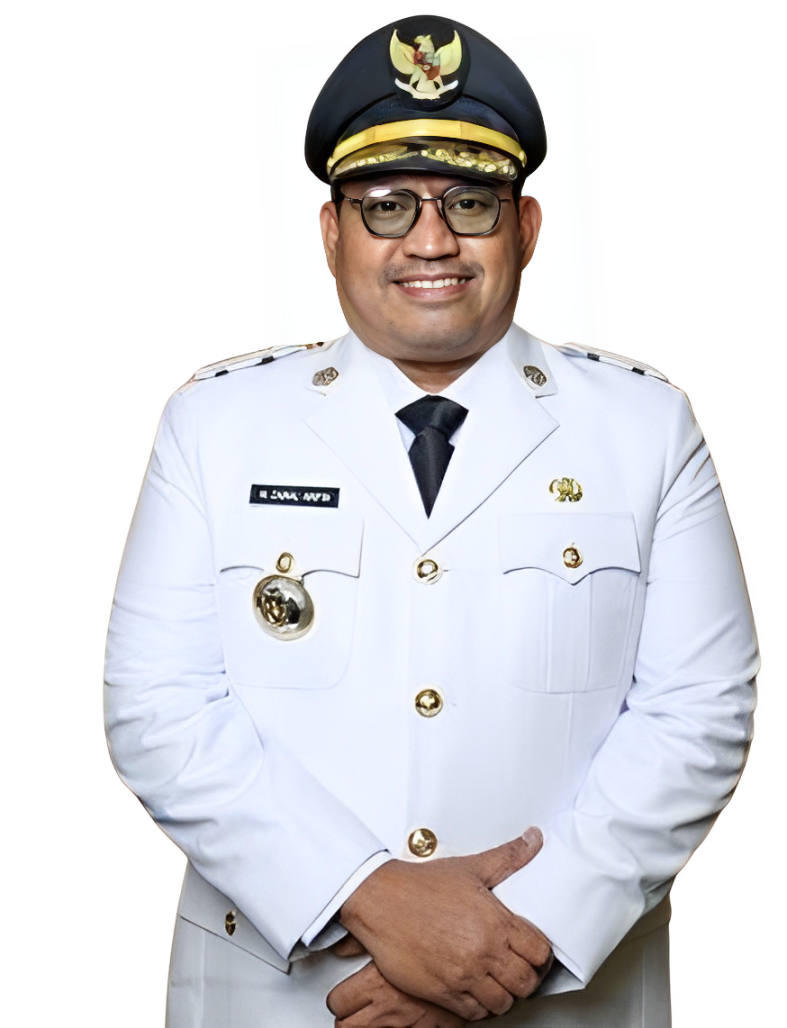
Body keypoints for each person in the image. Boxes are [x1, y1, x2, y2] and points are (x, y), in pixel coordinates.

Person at [104, 14, 758, 1028]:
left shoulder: (642, 428)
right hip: (284, 993)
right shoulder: (216, 425)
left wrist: (505, 947)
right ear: (331, 234)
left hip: (558, 990)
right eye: (385, 206)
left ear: (525, 228)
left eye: (469, 202)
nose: (429, 241)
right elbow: (159, 707)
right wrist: (372, 898)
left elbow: (698, 711)